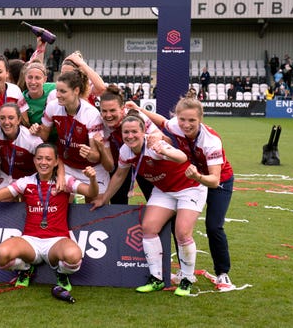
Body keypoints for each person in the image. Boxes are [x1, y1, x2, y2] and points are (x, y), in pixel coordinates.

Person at [90, 112, 207, 296]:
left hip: (189, 188)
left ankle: (186, 279)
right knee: (148, 227)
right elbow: (119, 175)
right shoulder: (125, 151)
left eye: (134, 132)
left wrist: (165, 150)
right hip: (164, 191)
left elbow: (182, 158)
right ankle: (156, 278)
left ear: (143, 131)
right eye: (126, 132)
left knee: (182, 232)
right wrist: (104, 198)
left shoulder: (154, 145)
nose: (130, 136)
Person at [128, 96, 236, 291]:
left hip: (217, 180)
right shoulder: (177, 125)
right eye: (182, 120)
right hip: (194, 177)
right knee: (180, 228)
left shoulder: (211, 141)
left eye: (192, 120)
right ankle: (184, 274)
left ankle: (222, 273)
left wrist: (197, 177)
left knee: (213, 226)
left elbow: (214, 180)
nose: (186, 125)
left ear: (200, 119)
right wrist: (139, 109)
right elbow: (161, 121)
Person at [0, 143, 98, 292]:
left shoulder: (65, 181)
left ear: (56, 161)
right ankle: (25, 269)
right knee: (1, 256)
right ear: (34, 161)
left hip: (56, 240)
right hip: (30, 240)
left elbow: (91, 193)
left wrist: (93, 179)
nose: (43, 162)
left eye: (48, 159)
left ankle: (61, 273)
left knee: (73, 256)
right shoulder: (26, 182)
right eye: (39, 158)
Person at [33, 68, 109, 195]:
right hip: (66, 166)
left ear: (76, 91)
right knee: (58, 202)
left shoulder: (91, 114)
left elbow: (96, 156)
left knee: (94, 206)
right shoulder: (53, 106)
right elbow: (44, 136)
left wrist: (89, 153)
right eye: (57, 90)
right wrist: (35, 130)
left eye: (63, 91)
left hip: (90, 168)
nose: (57, 95)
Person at [99, 85, 157, 204]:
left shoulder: (136, 117)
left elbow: (162, 136)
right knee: (117, 202)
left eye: (112, 110)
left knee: (154, 200)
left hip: (143, 161)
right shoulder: (99, 122)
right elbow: (109, 166)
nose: (108, 115)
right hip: (119, 162)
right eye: (104, 111)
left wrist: (155, 139)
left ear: (122, 108)